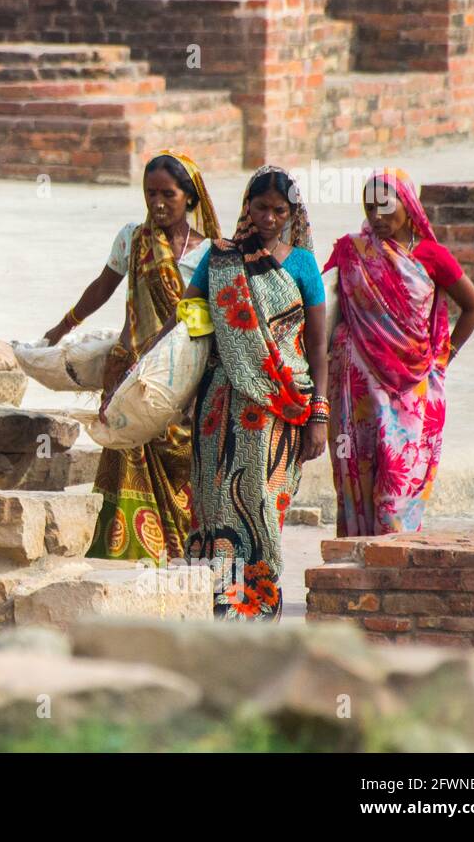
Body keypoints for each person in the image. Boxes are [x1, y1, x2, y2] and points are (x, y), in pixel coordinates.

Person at [140, 165, 328, 620]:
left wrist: (320, 415)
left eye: (278, 210)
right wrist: (143, 366)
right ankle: (217, 606)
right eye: (259, 207)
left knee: (263, 503)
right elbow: (185, 319)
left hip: (280, 408)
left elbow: (318, 344)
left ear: (291, 212)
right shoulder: (220, 258)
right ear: (247, 208)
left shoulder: (302, 263)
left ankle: (259, 606)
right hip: (219, 405)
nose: (268, 218)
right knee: (217, 500)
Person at [43, 151, 220, 563]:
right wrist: (63, 326)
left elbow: (203, 320)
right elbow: (103, 286)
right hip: (130, 373)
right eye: (149, 193)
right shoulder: (133, 239)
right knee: (128, 456)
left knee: (182, 463)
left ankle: (181, 552)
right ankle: (126, 551)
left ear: (190, 198)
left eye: (168, 194)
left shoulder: (210, 253)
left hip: (178, 377)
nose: (157, 203)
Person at [324, 168, 474, 536]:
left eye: (386, 206)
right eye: (369, 208)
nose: (377, 217)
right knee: (358, 477)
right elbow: (323, 303)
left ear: (409, 205)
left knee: (398, 483)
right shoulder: (351, 250)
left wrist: (445, 357)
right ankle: (354, 569)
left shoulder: (431, 255)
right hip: (357, 388)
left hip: (412, 390)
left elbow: (473, 306)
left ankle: (393, 561)